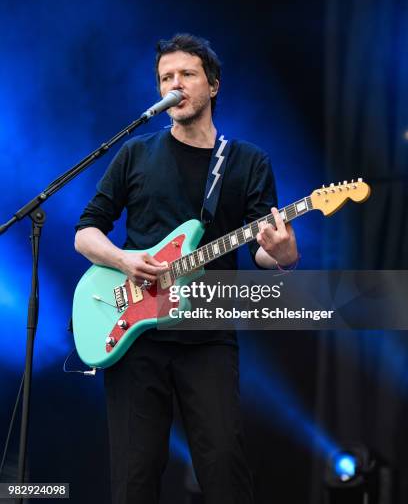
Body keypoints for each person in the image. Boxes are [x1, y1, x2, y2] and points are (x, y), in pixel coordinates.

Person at [74, 33, 298, 504]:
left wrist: (282, 253)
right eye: (165, 78)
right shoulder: (135, 153)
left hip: (208, 335)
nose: (174, 85)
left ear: (212, 85)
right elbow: (85, 233)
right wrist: (123, 258)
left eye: (186, 75)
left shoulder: (247, 161)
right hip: (135, 336)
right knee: (135, 478)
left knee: (224, 469)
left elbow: (263, 251)